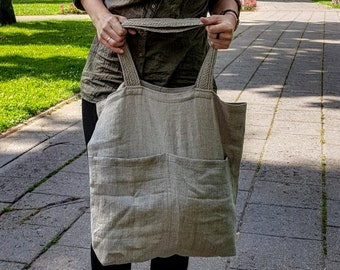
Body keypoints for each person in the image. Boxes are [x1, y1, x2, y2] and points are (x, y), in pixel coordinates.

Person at [73, 0, 241, 269]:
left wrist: (229, 16)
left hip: (186, 79)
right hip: (112, 74)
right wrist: (100, 15)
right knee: (115, 217)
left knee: (178, 216)